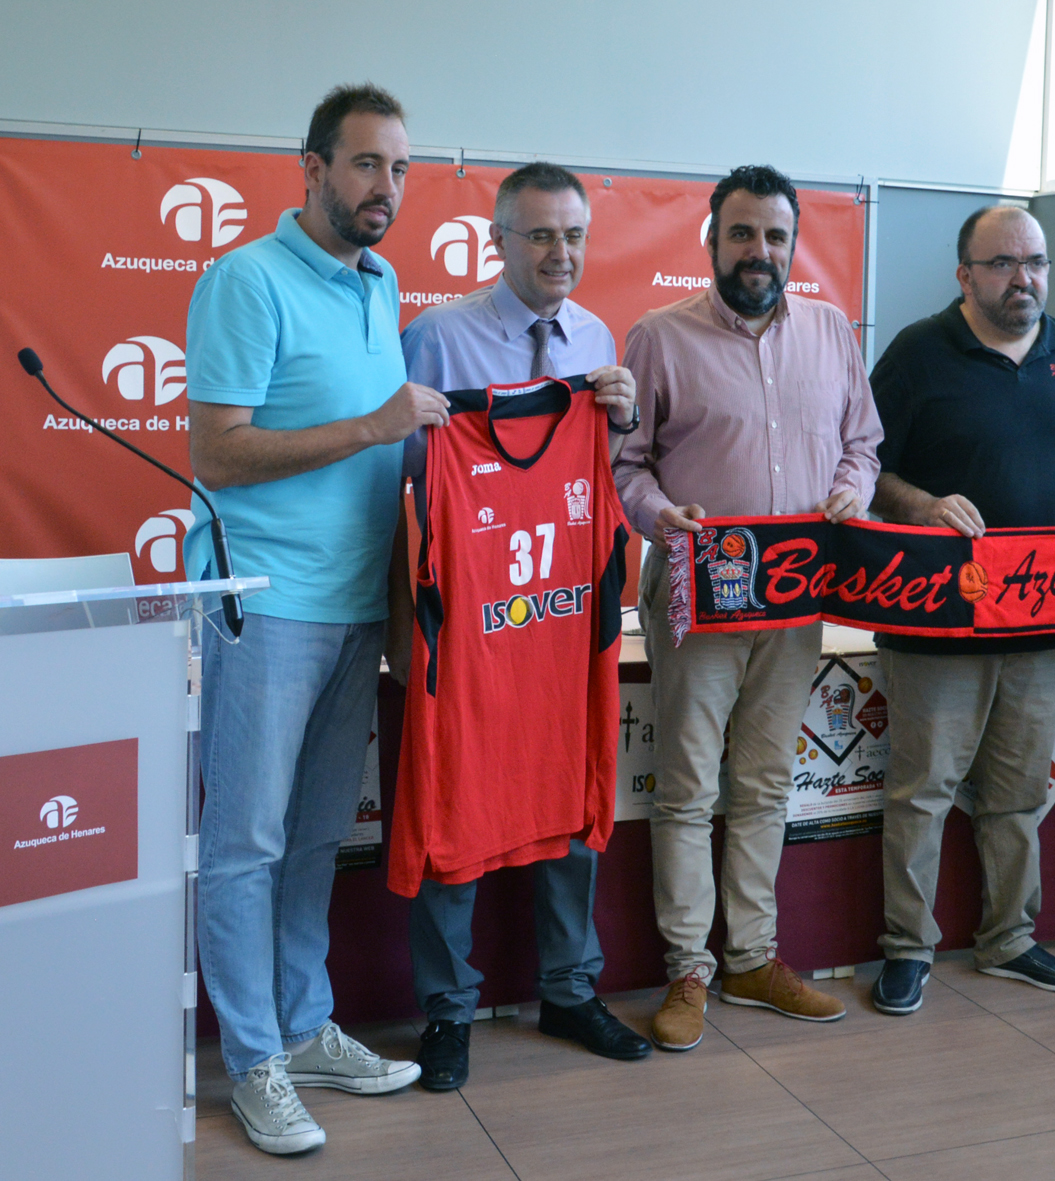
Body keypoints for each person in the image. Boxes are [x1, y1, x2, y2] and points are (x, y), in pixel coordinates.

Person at [184, 83, 431, 1155]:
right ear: (314, 168)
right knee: (245, 841)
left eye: (400, 169)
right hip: (265, 604)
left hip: (357, 605)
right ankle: (253, 1061)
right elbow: (218, 450)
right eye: (367, 164)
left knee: (318, 834)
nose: (386, 187)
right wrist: (372, 425)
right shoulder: (245, 279)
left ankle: (300, 1023)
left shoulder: (381, 283)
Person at [613, 165, 883, 1051]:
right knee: (688, 787)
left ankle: (753, 959)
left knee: (765, 783)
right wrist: (661, 515)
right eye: (741, 234)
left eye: (774, 235)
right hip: (698, 593)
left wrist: (850, 490)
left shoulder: (832, 332)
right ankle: (688, 968)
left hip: (795, 595)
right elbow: (625, 465)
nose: (758, 251)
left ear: (793, 244)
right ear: (713, 241)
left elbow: (863, 443)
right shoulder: (659, 337)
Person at [394, 162, 649, 1091]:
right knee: (454, 797)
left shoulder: (596, 339)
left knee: (572, 791)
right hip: (466, 624)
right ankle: (447, 1010)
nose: (559, 252)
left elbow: (596, 481)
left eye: (573, 235)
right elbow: (399, 482)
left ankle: (570, 990)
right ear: (498, 239)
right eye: (540, 234)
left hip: (559, 616)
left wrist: (617, 419)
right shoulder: (438, 337)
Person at [865, 207, 1055, 1014]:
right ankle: (908, 948)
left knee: (1017, 792)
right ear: (965, 274)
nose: (1024, 278)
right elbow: (866, 463)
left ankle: (1009, 937)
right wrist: (924, 505)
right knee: (923, 791)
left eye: (1036, 262)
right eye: (1005, 263)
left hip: (1043, 621)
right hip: (937, 619)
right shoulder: (917, 351)